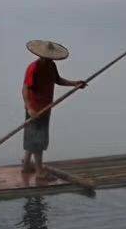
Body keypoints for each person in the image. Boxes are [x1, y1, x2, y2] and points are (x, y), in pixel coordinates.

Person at [21, 40, 87, 176]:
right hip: (34, 108)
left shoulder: (51, 66)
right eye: (47, 56)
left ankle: (26, 165)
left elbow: (57, 80)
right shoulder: (33, 68)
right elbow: (25, 89)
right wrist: (29, 108)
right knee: (37, 139)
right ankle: (39, 172)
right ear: (41, 55)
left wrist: (74, 84)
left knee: (33, 136)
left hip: (46, 107)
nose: (49, 58)